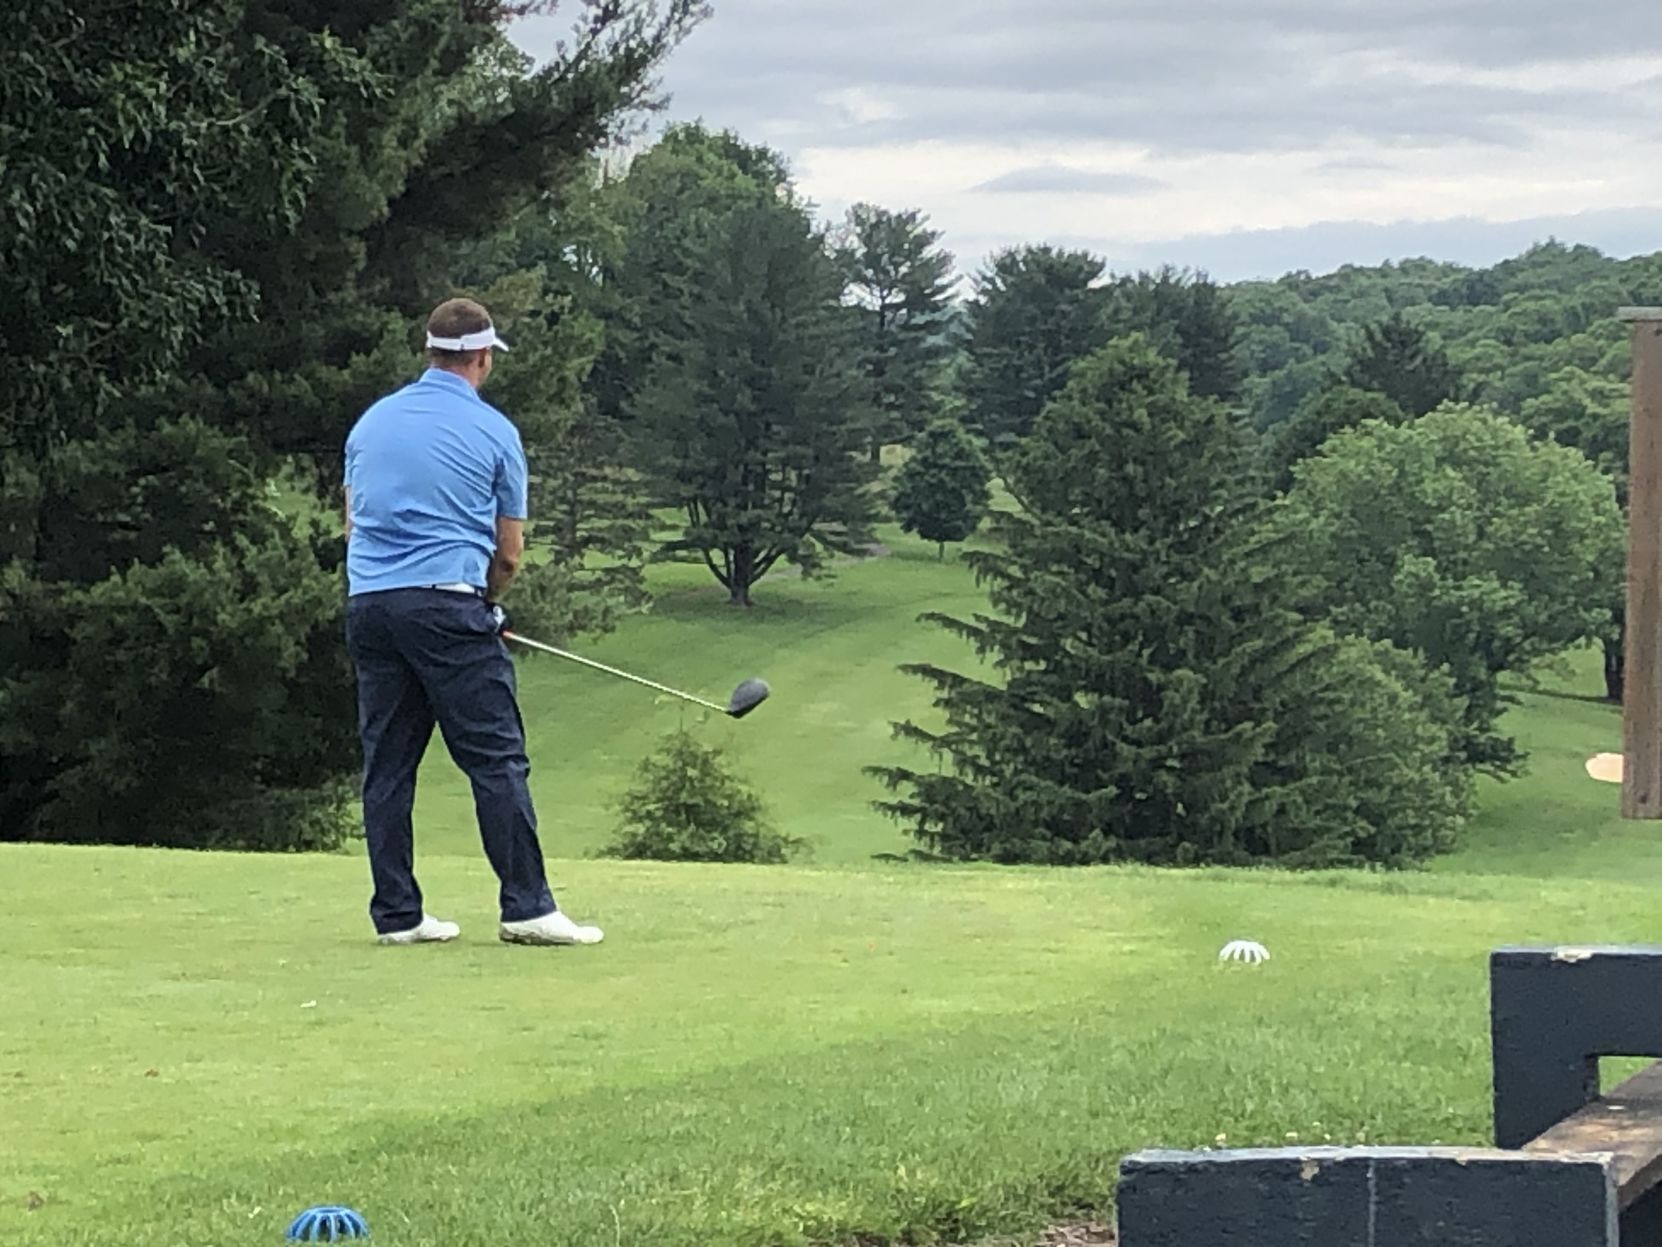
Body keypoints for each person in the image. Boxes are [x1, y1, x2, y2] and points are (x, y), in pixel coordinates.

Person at [341, 297, 603, 948]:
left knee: (388, 765)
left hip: (370, 606)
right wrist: (484, 603)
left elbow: (353, 525)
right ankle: (528, 906)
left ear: (430, 352)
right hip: (447, 602)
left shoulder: (371, 423)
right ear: (483, 358)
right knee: (496, 758)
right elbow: (508, 552)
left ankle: (398, 914)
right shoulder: (494, 432)